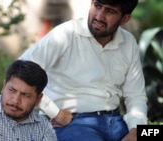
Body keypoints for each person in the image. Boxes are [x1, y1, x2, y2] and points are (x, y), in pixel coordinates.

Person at [18, 0, 148, 140]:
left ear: (125, 19)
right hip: (73, 123)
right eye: (97, 6)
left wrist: (135, 131)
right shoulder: (66, 34)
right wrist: (55, 112)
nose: (99, 16)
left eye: (109, 11)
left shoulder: (128, 42)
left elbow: (136, 96)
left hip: (116, 121)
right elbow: (20, 73)